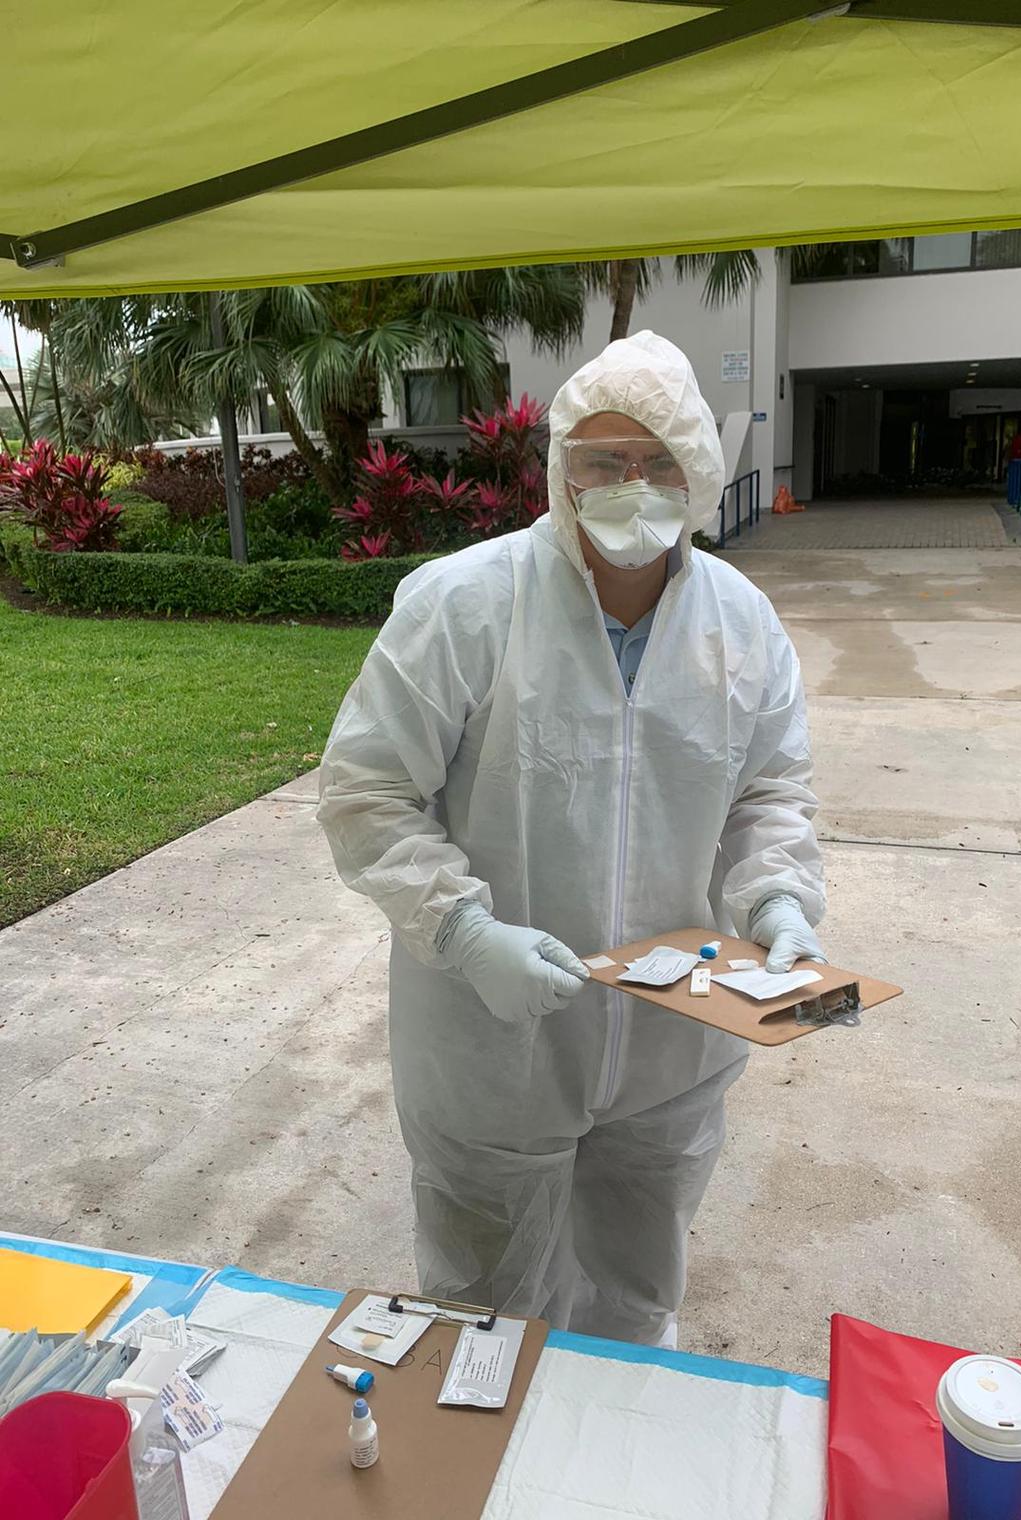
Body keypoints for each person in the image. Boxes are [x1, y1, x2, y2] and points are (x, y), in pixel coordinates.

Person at [317, 331, 825, 1347]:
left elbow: (770, 787)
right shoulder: (466, 603)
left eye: (658, 462)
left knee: (635, 1294)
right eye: (603, 460)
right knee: (484, 1321)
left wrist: (777, 897)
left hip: (671, 1053)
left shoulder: (742, 622)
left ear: (701, 472)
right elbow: (367, 788)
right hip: (490, 1043)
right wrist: (464, 933)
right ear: (561, 469)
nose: (631, 485)